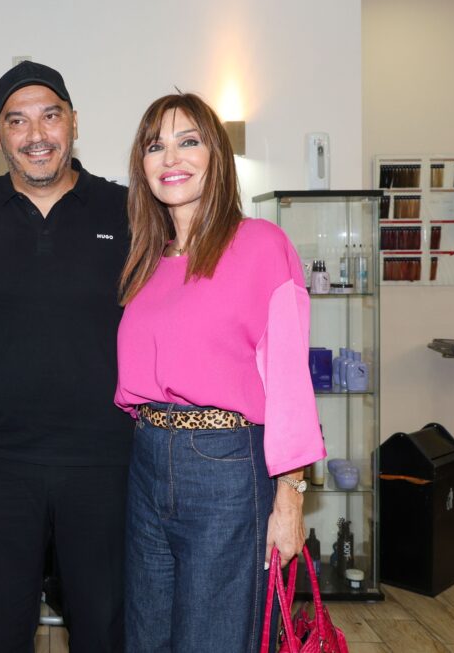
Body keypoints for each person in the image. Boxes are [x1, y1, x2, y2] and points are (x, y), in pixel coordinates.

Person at [114, 93, 325, 652]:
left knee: (216, 640)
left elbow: (289, 383)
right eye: (155, 146)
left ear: (217, 156)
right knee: (146, 639)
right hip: (147, 461)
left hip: (225, 469)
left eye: (188, 141)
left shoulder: (260, 244)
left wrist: (291, 497)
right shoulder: (148, 260)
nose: (170, 157)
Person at [0, 61, 132, 651]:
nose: (36, 134)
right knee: (0, 632)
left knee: (104, 630)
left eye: (50, 116)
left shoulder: (129, 212)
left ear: (74, 122)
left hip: (104, 461)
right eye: (17, 120)